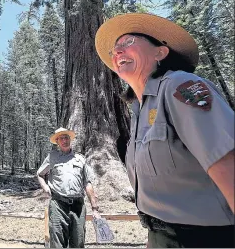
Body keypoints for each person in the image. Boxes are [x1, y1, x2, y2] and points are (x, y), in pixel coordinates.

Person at [94, 13, 234, 248]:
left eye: (128, 42)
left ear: (160, 52)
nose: (117, 51)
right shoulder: (139, 111)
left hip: (208, 238)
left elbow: (227, 159)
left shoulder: (180, 86)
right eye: (114, 49)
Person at [37, 127, 100, 248]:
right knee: (57, 240)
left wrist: (95, 208)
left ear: (70, 139)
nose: (64, 140)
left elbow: (87, 183)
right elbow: (40, 174)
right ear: (57, 142)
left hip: (78, 205)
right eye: (61, 138)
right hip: (58, 204)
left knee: (78, 240)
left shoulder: (80, 158)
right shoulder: (52, 157)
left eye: (66, 137)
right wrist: (45, 187)